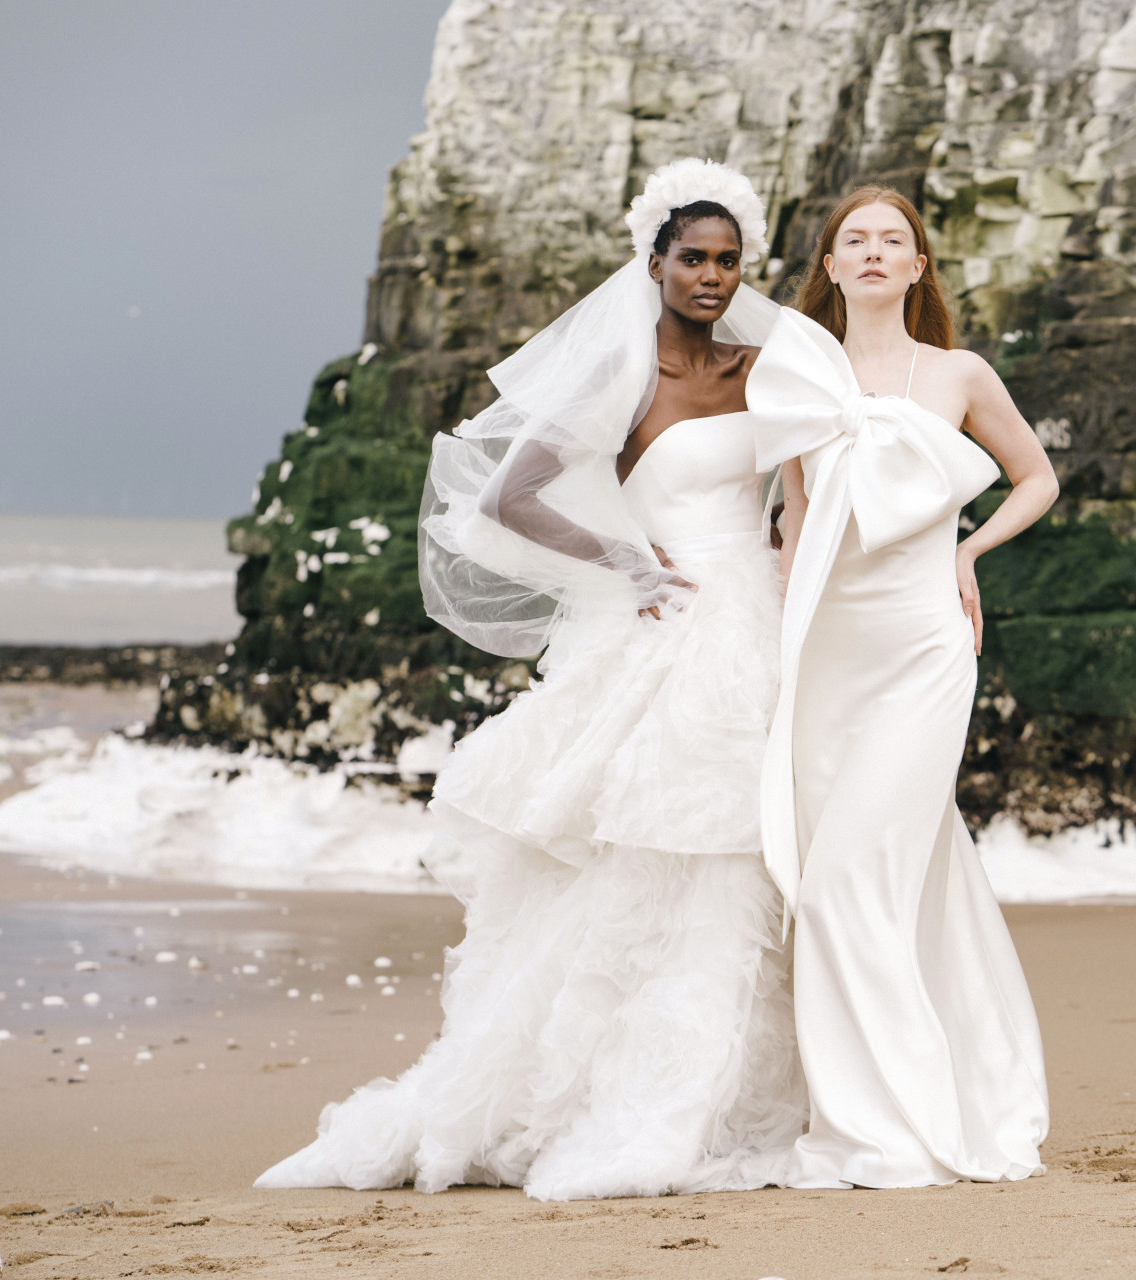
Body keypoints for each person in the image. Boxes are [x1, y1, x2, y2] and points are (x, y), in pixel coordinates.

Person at [256, 159, 806, 1201]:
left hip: (759, 631)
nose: (713, 276)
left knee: (746, 864)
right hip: (673, 633)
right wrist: (628, 560)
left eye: (730, 261)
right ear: (654, 262)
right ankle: (613, 1101)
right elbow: (509, 495)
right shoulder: (626, 375)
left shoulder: (757, 369)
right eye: (694, 257)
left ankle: (733, 1095)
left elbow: (813, 479)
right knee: (647, 862)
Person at [749, 186, 1058, 1189]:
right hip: (827, 649)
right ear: (829, 267)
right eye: (856, 242)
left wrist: (971, 550)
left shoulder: (958, 371)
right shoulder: (796, 369)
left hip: (926, 641)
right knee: (898, 877)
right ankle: (955, 1083)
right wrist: (767, 636)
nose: (875, 252)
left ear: (918, 268)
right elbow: (795, 517)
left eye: (895, 241)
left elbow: (1036, 477)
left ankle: (888, 1127)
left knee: (845, 877)